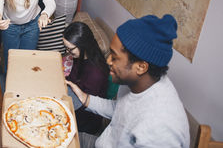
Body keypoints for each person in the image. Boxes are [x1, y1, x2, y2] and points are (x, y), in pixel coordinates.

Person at [66, 14, 190, 148]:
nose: (108, 61)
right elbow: (120, 109)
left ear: (141, 67)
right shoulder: (137, 82)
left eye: (114, 57)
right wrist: (85, 98)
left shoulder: (159, 128)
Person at [63, 22, 109, 135]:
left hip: (85, 117)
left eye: (70, 49)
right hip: (75, 97)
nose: (67, 52)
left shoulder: (96, 73)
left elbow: (84, 104)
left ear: (82, 45)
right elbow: (73, 78)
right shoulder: (80, 55)